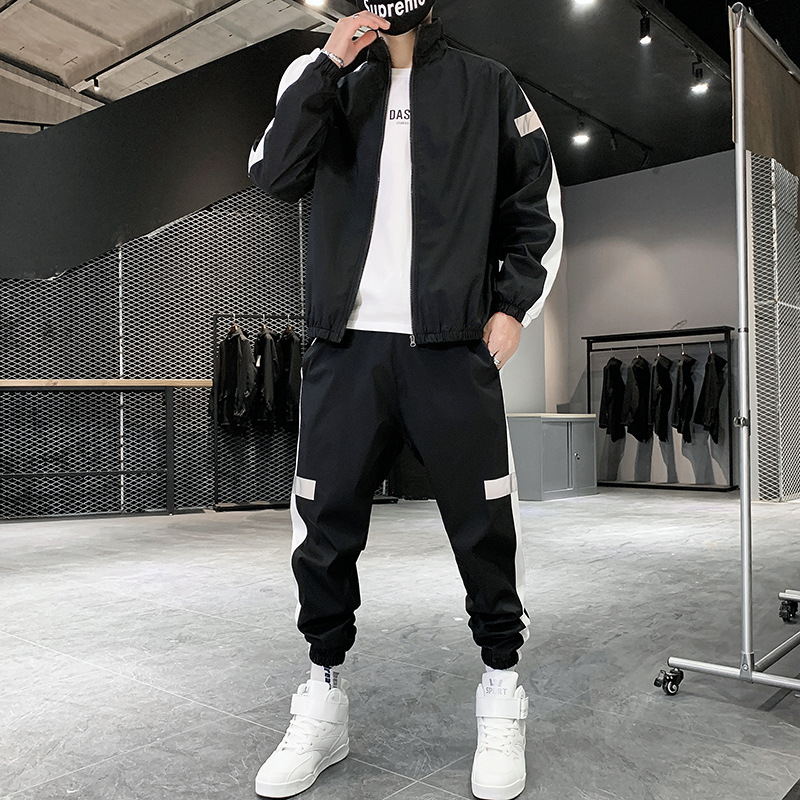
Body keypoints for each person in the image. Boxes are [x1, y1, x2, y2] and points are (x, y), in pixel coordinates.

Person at [247, 2, 563, 797]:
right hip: (344, 348)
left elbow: (537, 203)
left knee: (484, 526)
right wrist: (330, 65)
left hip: (450, 348)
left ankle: (502, 689)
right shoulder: (316, 74)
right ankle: (322, 698)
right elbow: (274, 174)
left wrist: (511, 306)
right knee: (323, 529)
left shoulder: (487, 84)